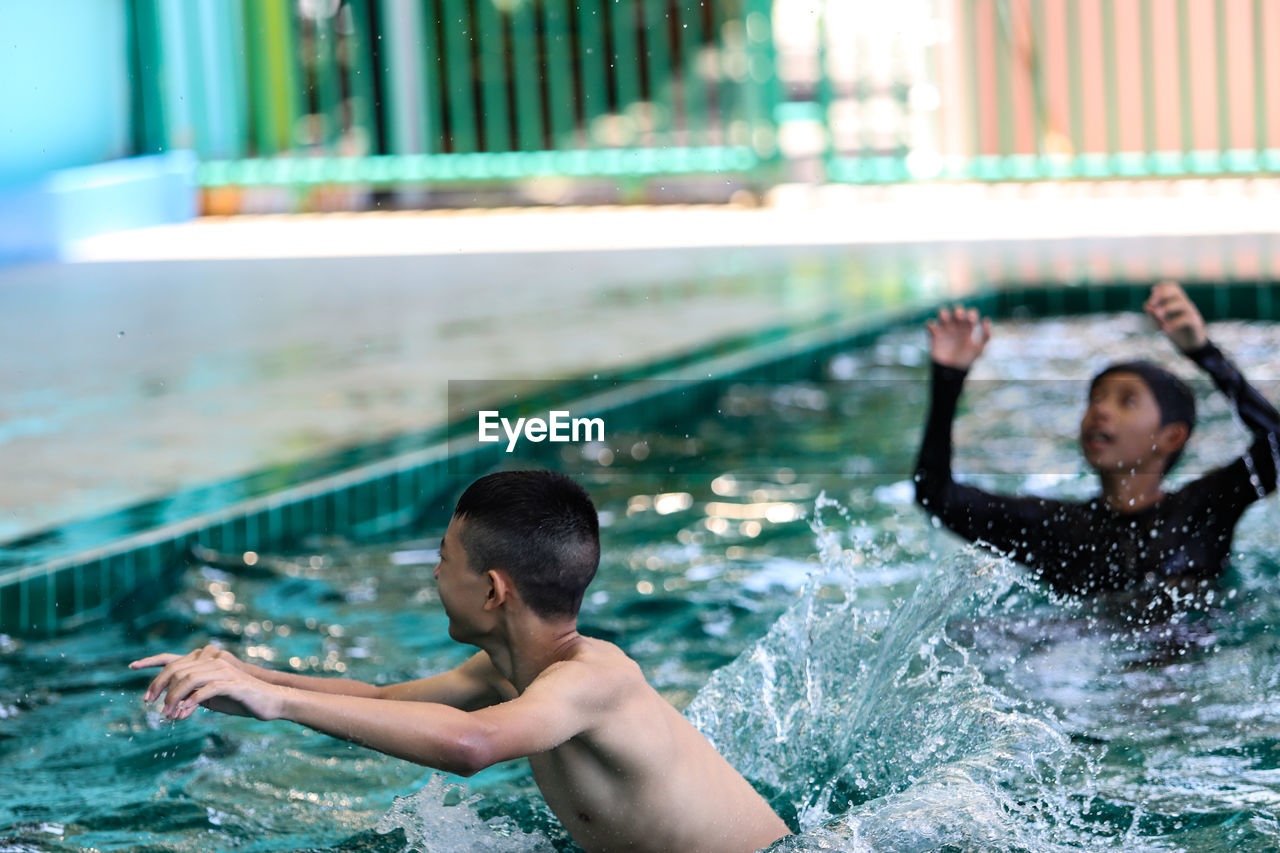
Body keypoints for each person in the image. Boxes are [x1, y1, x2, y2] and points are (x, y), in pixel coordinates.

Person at [131, 470, 790, 853]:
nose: (435, 573)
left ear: (493, 589)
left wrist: (277, 702)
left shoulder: (593, 680)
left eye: (445, 558)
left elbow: (472, 745)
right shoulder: (507, 670)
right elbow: (384, 701)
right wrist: (247, 677)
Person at [914, 281, 1278, 606]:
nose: (1100, 410)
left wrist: (1204, 353)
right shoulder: (1054, 528)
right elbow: (936, 495)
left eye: (1126, 401)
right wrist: (949, 377)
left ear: (1172, 436)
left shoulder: (1203, 511)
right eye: (1095, 399)